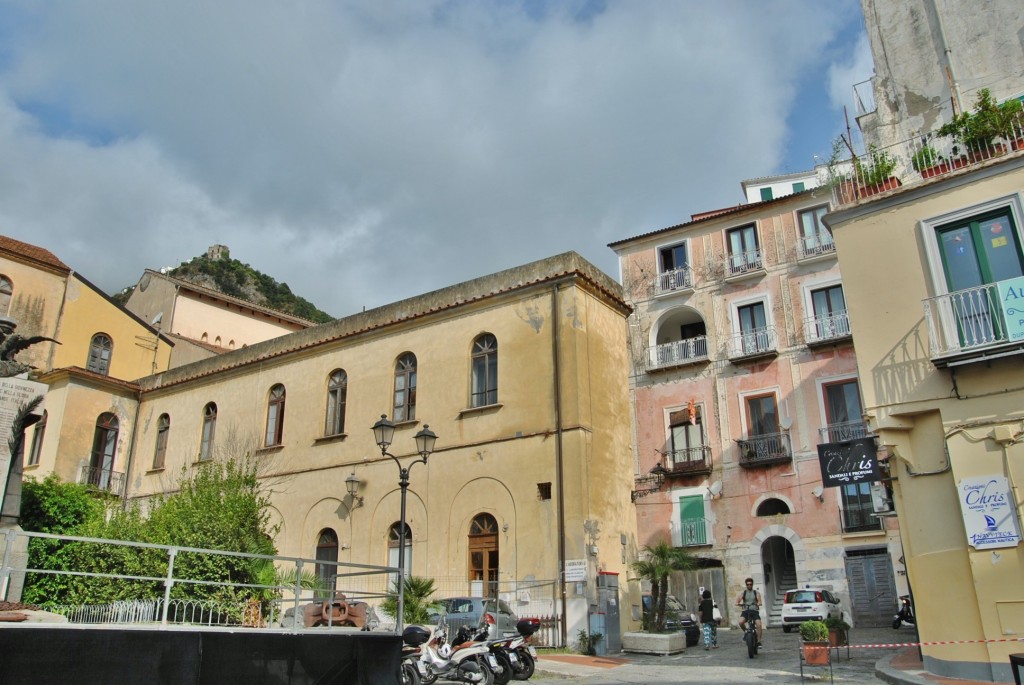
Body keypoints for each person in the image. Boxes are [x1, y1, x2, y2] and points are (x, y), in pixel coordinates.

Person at [735, 577, 763, 646]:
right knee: (741, 622)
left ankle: (759, 641)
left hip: (754, 611)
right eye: (748, 584)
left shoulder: (756, 592)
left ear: (752, 584)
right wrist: (738, 603)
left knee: (759, 624)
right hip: (746, 611)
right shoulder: (743, 593)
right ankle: (746, 632)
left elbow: (759, 601)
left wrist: (759, 603)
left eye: (750, 584)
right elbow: (737, 601)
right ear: (746, 585)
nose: (749, 586)